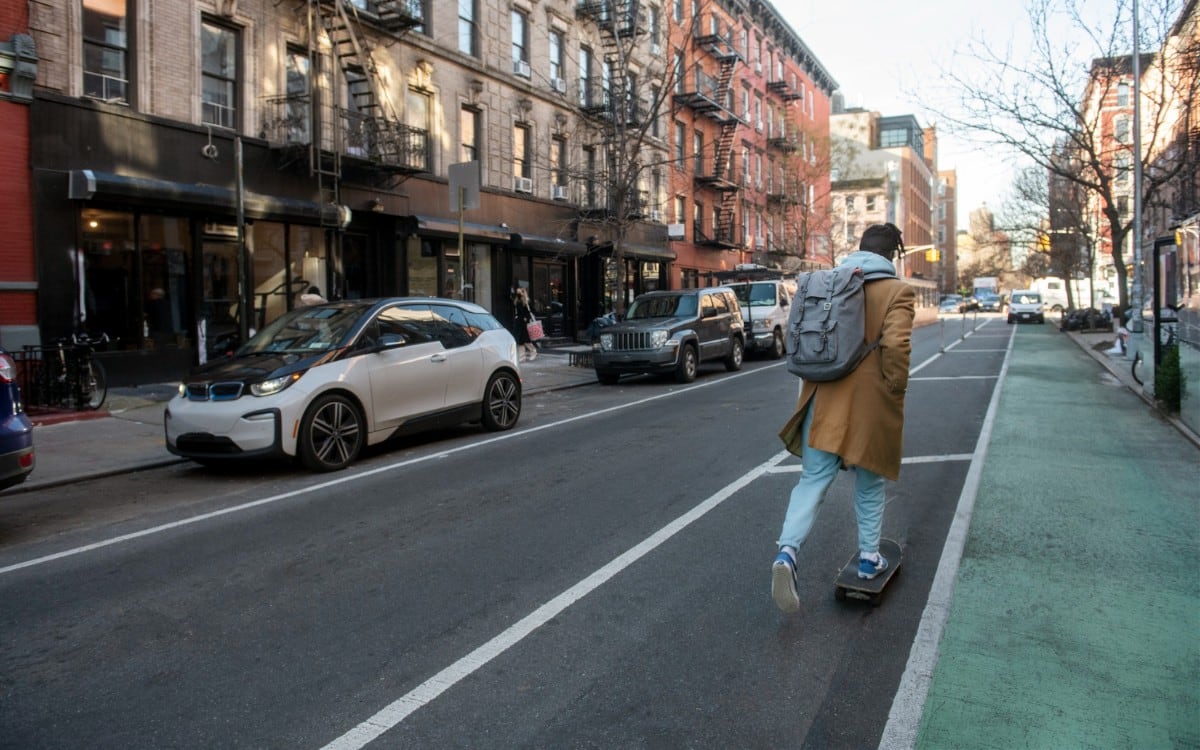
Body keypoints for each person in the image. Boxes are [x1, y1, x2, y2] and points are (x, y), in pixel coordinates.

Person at [770, 223, 916, 614]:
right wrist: (895, 387)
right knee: (869, 483)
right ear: (892, 255)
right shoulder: (897, 291)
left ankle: (787, 553)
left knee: (813, 481)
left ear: (860, 249)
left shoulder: (830, 281)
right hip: (868, 406)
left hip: (820, 398)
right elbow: (897, 346)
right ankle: (869, 559)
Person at [513, 287, 537, 361]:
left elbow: (532, 311)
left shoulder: (527, 301)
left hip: (525, 323)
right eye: (518, 292)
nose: (518, 293)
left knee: (526, 339)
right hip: (518, 322)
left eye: (520, 292)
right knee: (520, 340)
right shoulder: (517, 300)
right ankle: (522, 357)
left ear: (523, 293)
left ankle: (533, 352)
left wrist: (526, 318)